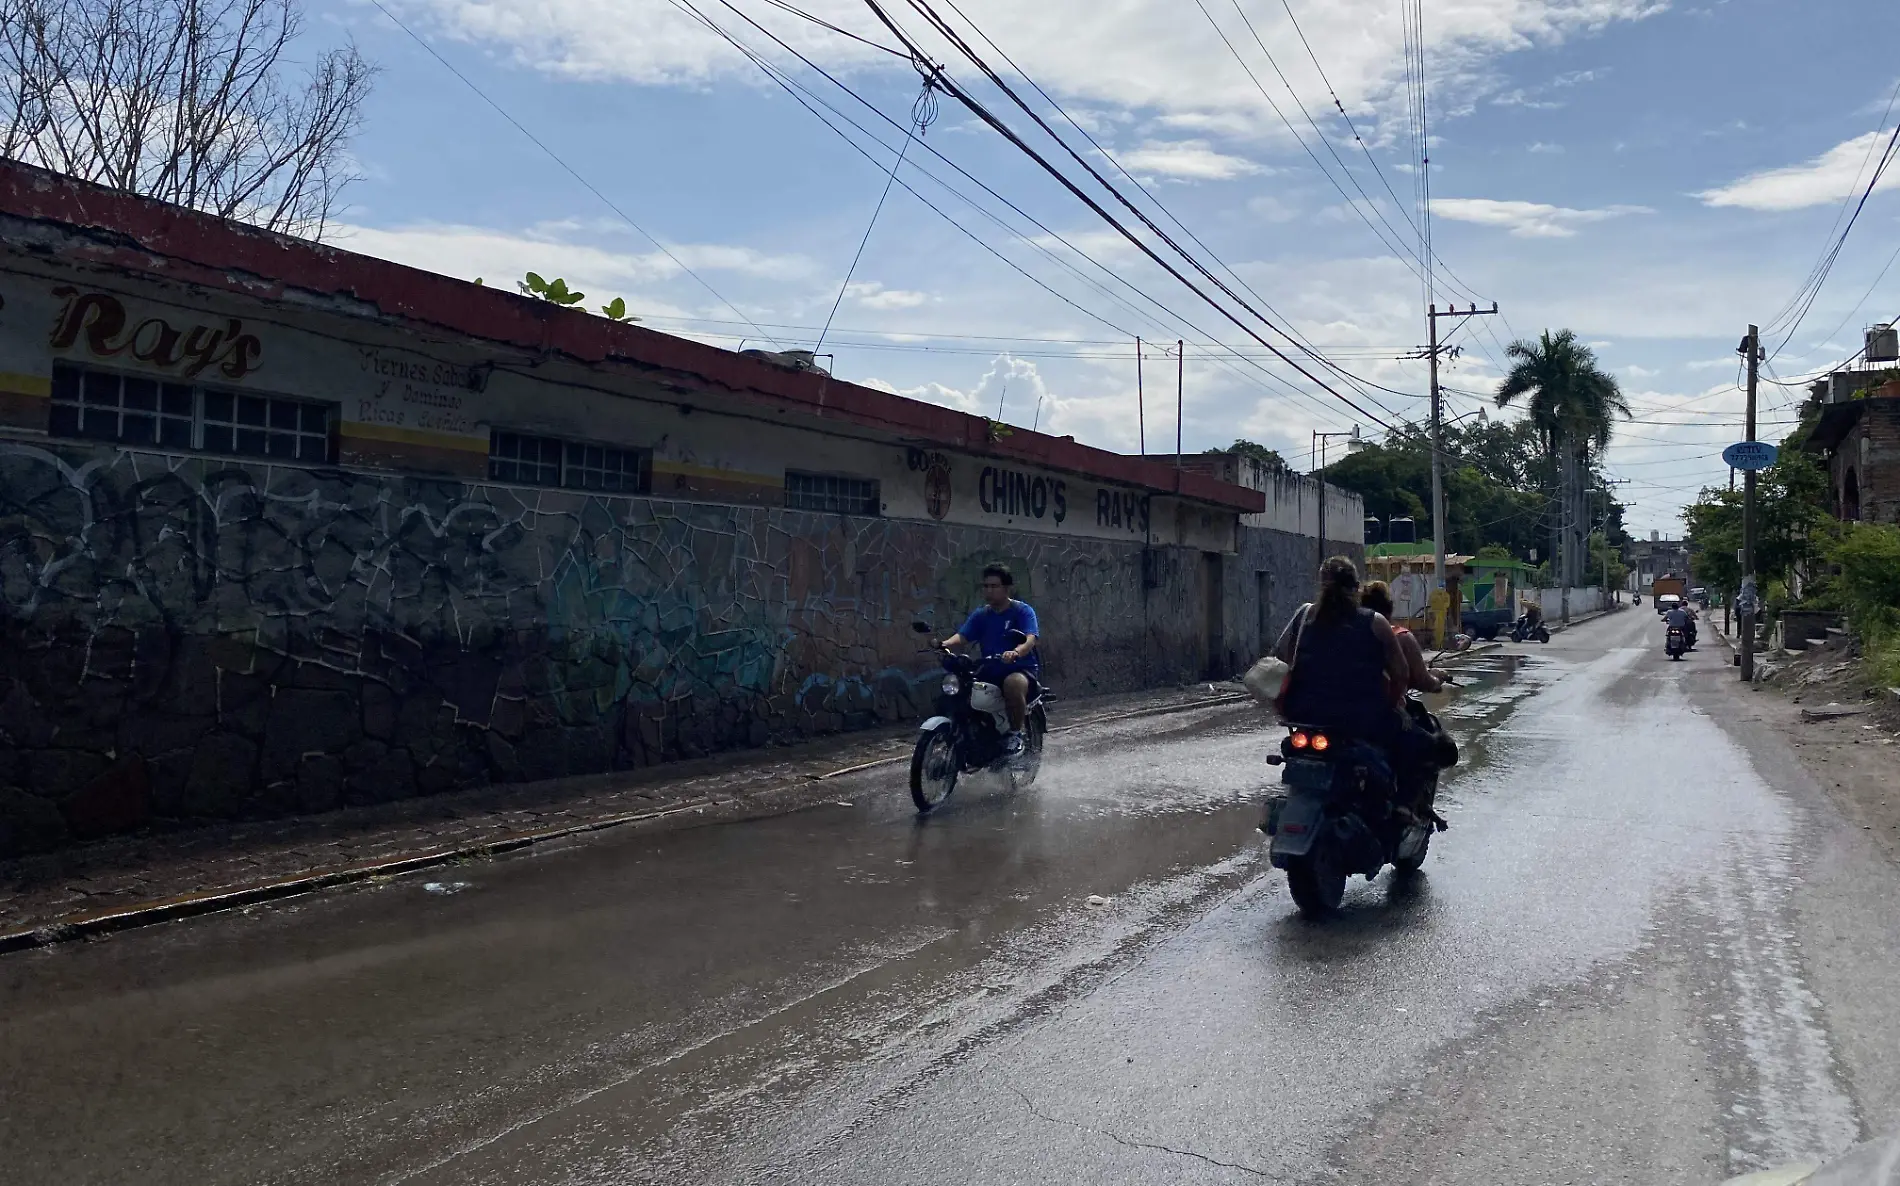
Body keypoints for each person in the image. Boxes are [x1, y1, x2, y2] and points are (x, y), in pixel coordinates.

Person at [1272, 557, 1410, 748]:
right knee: (1414, 743)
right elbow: (1401, 674)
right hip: (1359, 717)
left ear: (1321, 585)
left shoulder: (1304, 615)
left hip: (1303, 713)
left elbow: (1285, 661)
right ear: (1357, 587)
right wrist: (1391, 704)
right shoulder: (1376, 622)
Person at [939, 563, 1040, 755]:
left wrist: (1016, 652)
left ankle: (1015, 734)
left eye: (994, 586)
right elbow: (963, 635)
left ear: (1006, 588)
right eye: (986, 586)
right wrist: (944, 644)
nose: (989, 591)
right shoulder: (982, 614)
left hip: (1020, 669)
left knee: (1012, 684)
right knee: (962, 687)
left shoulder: (1022, 611)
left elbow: (1030, 639)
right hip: (989, 669)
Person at [1360, 580, 1452, 705]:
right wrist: (1437, 679)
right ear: (1390, 607)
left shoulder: (1346, 634)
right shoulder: (1402, 637)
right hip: (1384, 714)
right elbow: (1422, 681)